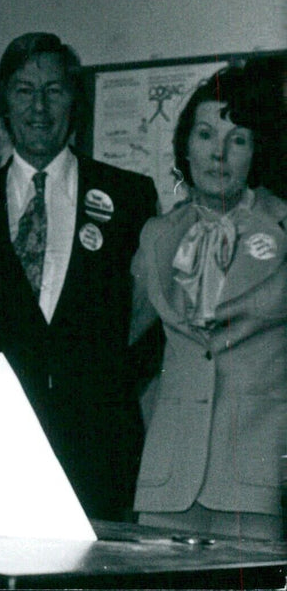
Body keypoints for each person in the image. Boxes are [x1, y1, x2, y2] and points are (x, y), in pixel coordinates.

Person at [0, 33, 158, 520]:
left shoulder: (129, 197)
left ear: (74, 101)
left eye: (54, 90)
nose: (40, 107)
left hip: (101, 449)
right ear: (3, 106)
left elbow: (151, 320)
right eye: (23, 91)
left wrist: (105, 385)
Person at [131, 66, 287, 540]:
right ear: (186, 144)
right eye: (204, 134)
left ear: (258, 149)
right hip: (166, 483)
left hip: (256, 481)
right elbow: (121, 347)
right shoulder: (157, 236)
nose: (217, 153)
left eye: (237, 139)